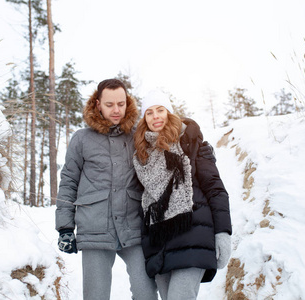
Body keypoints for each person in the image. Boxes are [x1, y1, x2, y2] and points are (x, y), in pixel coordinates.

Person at [55, 79, 158, 300]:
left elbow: (167, 137)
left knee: (146, 293)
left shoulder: (137, 135)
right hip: (95, 228)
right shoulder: (81, 139)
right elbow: (69, 181)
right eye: (109, 104)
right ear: (97, 103)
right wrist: (65, 228)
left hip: (133, 228)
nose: (116, 110)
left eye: (121, 104)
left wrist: (196, 146)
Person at [132, 89, 232, 300]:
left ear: (169, 112)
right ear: (144, 119)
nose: (155, 116)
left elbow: (215, 189)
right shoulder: (141, 157)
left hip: (193, 236)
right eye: (149, 112)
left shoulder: (192, 144)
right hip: (159, 244)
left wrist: (223, 233)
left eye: (160, 110)